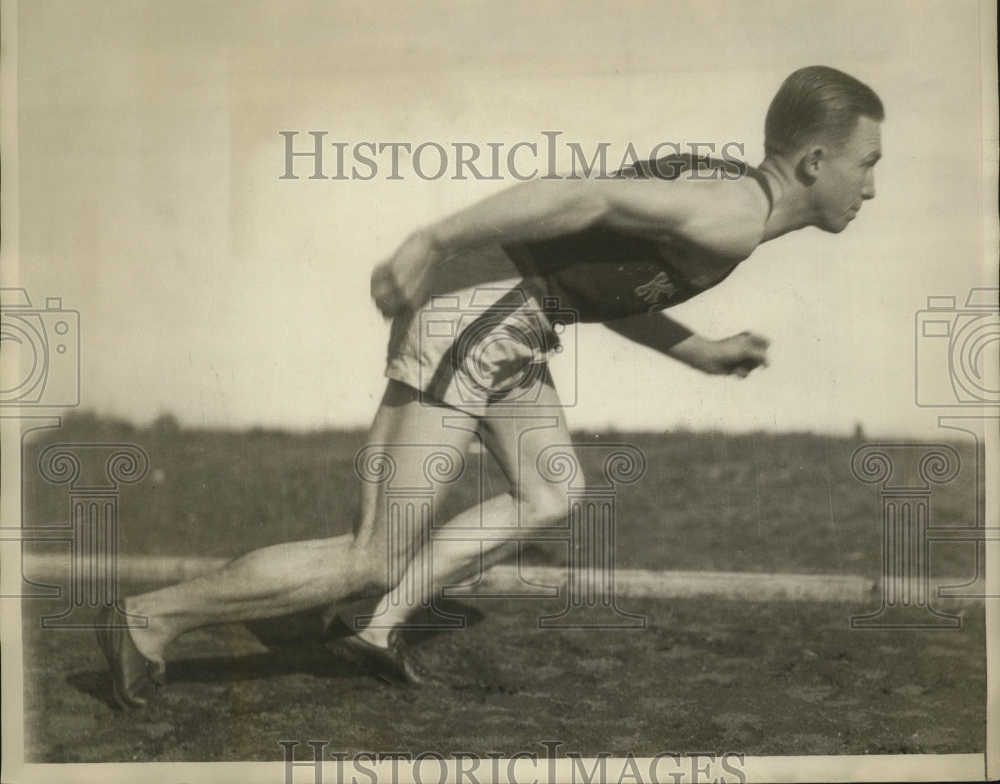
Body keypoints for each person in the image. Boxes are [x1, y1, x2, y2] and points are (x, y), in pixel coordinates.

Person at [96, 65, 883, 707]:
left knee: (550, 490)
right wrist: (429, 239)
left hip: (517, 310)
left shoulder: (734, 199)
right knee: (374, 550)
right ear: (817, 162)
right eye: (868, 163)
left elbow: (599, 282)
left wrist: (700, 350)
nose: (871, 186)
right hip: (487, 305)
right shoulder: (732, 214)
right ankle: (149, 619)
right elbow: (583, 195)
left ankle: (376, 625)